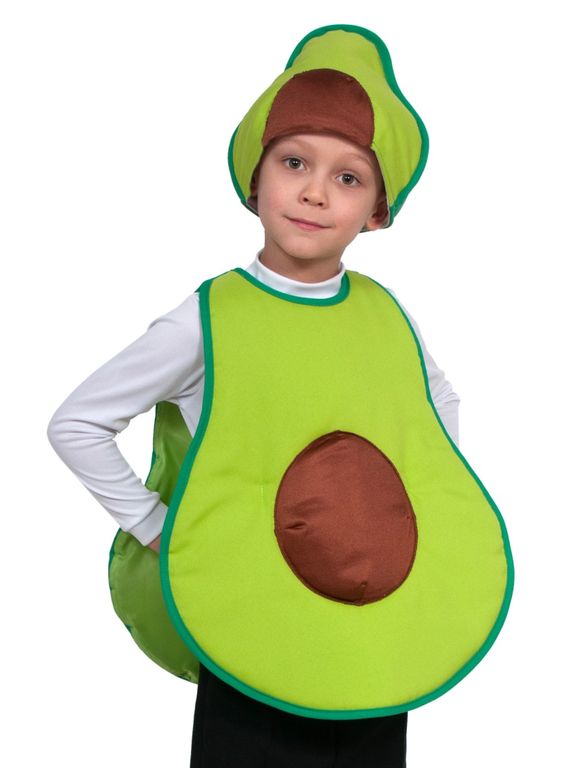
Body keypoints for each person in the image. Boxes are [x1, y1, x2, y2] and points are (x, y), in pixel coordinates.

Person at [48, 24, 463, 767]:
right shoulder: (209, 319)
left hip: (370, 638)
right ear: (255, 177)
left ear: (377, 210)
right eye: (294, 162)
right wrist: (157, 528)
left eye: (348, 178)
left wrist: (422, 510)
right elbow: (77, 423)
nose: (313, 191)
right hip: (246, 624)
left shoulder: (384, 315)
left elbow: (438, 403)